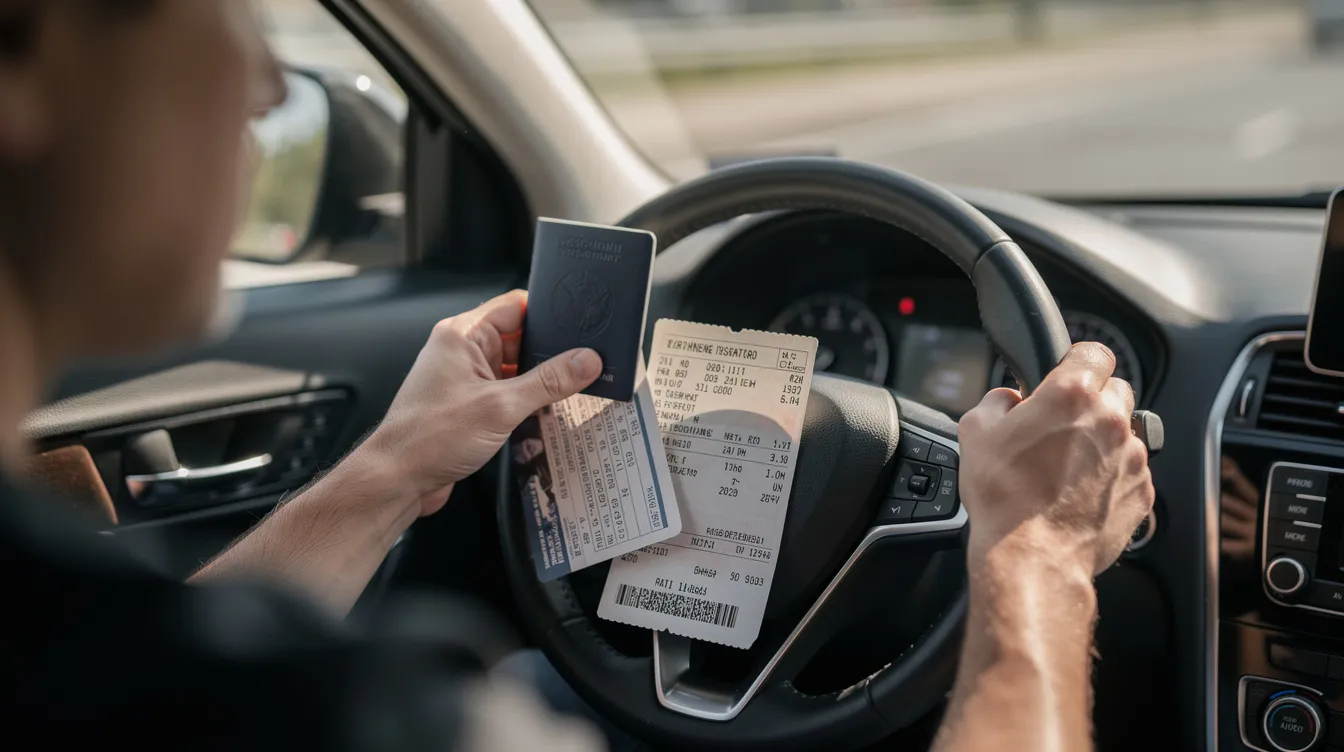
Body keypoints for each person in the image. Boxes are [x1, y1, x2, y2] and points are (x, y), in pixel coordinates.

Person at [0, 2, 1153, 750]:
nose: (265, 82)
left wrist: (400, 465)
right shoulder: (366, 712)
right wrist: (1035, 547)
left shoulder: (95, 658)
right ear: (29, 52)